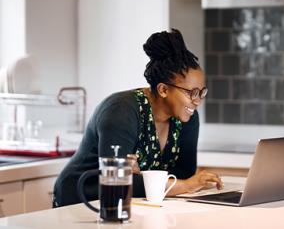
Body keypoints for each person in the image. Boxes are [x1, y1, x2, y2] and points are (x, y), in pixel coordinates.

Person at [53, 28, 223, 207]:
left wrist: (140, 175)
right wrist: (185, 185)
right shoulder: (120, 112)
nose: (197, 101)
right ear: (163, 89)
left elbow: (184, 172)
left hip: (131, 205)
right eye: (192, 93)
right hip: (82, 201)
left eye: (201, 93)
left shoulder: (186, 116)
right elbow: (117, 181)